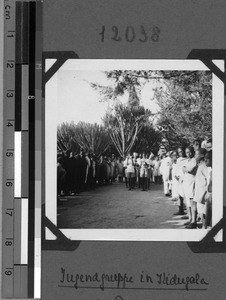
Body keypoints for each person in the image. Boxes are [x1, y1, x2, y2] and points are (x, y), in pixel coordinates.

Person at [190, 148, 208, 229]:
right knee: (201, 213)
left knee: (204, 214)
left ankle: (204, 229)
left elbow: (207, 181)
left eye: (196, 154)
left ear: (202, 156)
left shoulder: (204, 166)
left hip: (203, 195)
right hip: (199, 194)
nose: (194, 156)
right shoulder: (199, 165)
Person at [182, 146, 197, 228]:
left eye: (190, 152)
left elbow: (190, 170)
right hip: (186, 182)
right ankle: (190, 218)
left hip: (192, 182)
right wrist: (185, 169)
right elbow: (183, 169)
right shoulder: (187, 160)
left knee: (192, 202)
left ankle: (194, 220)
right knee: (187, 201)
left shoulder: (194, 160)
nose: (189, 154)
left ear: (193, 152)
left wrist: (186, 169)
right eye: (187, 152)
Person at [174, 147, 187, 215]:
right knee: (180, 195)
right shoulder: (178, 159)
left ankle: (188, 213)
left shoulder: (187, 159)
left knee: (185, 195)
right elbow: (177, 169)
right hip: (178, 179)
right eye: (179, 152)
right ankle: (180, 210)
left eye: (182, 151)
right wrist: (176, 176)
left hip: (185, 179)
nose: (181, 153)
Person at [204, 150, 212, 228]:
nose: (205, 160)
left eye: (208, 158)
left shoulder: (217, 172)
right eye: (205, 158)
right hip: (210, 197)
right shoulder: (211, 171)